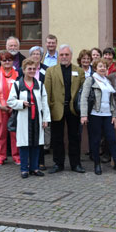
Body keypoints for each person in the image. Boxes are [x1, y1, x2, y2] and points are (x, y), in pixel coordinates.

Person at [45, 45, 86, 174]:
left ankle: (76, 164)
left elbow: (83, 92)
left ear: (71, 56)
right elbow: (47, 91)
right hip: (57, 108)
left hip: (73, 109)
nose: (64, 57)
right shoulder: (51, 71)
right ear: (59, 56)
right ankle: (58, 163)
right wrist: (48, 108)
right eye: (62, 55)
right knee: (57, 138)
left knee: (74, 137)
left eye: (66, 55)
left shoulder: (79, 71)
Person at [81, 58, 116, 176]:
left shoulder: (107, 81)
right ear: (95, 68)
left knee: (112, 139)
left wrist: (114, 115)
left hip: (107, 115)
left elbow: (112, 101)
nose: (102, 68)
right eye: (100, 66)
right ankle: (97, 164)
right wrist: (84, 115)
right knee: (95, 141)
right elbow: (84, 98)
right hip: (95, 114)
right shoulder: (90, 80)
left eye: (104, 66)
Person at [7, 59, 51, 178]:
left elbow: (44, 103)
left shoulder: (40, 85)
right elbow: (10, 101)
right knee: (24, 144)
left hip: (37, 119)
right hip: (23, 119)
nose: (32, 71)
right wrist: (21, 103)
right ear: (24, 70)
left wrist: (46, 119)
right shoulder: (17, 85)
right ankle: (24, 169)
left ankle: (34, 168)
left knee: (36, 144)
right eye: (29, 69)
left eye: (34, 69)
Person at [0, 51, 20, 166]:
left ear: (13, 61)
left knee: (15, 133)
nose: (7, 62)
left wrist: (14, 105)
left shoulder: (17, 74)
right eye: (4, 60)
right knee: (1, 133)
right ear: (0, 62)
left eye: (9, 60)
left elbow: (20, 92)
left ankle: (17, 156)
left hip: (14, 108)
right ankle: (1, 156)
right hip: (0, 108)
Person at [28, 46, 49, 170]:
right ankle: (30, 161)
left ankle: (41, 161)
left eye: (38, 54)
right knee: (29, 135)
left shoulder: (46, 70)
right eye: (34, 53)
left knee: (40, 135)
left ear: (41, 56)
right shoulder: (25, 69)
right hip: (27, 106)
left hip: (41, 105)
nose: (36, 56)